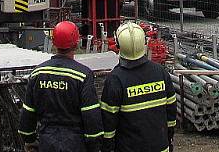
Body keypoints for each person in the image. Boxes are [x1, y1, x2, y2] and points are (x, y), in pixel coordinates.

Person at [18, 21, 103, 152]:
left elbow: (27, 113)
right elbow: (91, 116)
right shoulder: (83, 75)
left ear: (53, 42)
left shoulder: (38, 74)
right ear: (76, 42)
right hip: (75, 144)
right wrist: (94, 145)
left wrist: (29, 140)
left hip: (47, 142)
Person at [100, 22, 177, 152]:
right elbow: (171, 113)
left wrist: (107, 148)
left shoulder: (115, 79)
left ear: (118, 46)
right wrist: (168, 139)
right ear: (144, 43)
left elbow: (108, 124)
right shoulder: (160, 72)